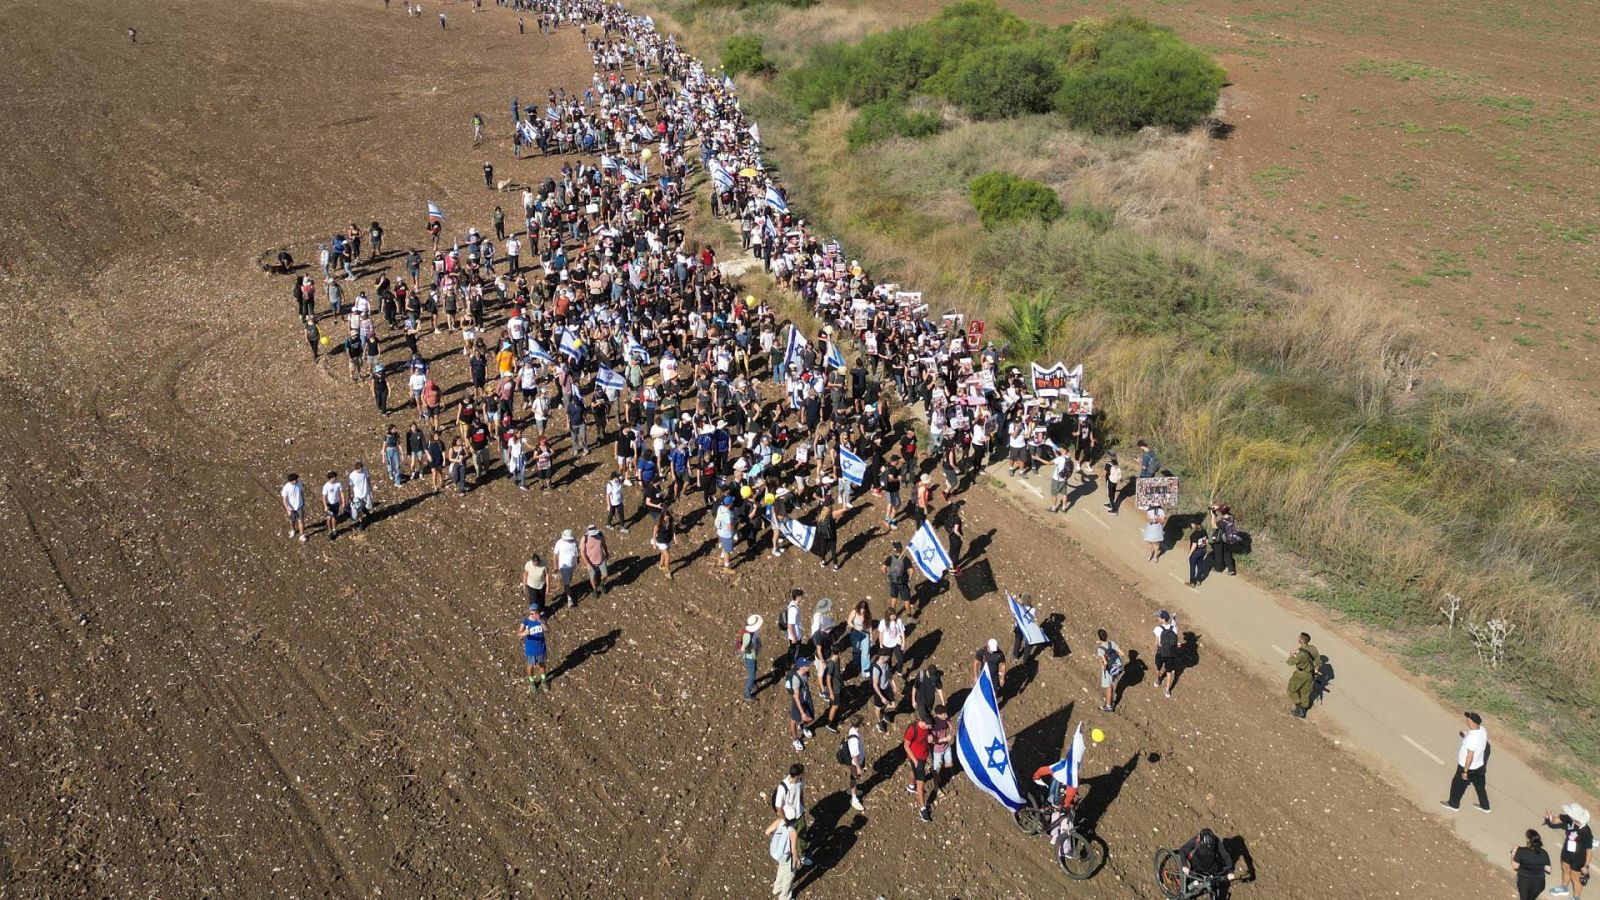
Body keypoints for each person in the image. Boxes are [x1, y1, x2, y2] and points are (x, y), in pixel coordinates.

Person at [1441, 711, 1490, 812]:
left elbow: (1469, 756)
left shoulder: (1472, 737)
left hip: (1468, 766)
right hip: (1479, 765)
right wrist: (1465, 735)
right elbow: (1477, 740)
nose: (1466, 719)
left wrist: (1465, 771)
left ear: (1472, 722)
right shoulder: (1482, 730)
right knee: (1480, 786)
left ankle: (1453, 804)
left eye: (1468, 718)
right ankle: (1485, 806)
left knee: (1457, 785)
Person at [1544, 803, 1591, 898]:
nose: (1568, 814)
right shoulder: (1569, 819)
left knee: (1575, 878)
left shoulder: (1586, 831)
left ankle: (1576, 897)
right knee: (1565, 869)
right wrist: (1549, 817)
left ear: (1575, 816)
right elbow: (1554, 820)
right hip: (1566, 851)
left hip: (1578, 858)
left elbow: (1589, 851)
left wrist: (1585, 866)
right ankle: (1564, 888)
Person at [771, 764, 812, 868]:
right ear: (797, 775)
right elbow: (778, 807)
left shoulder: (800, 781)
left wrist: (802, 806)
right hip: (789, 820)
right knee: (788, 841)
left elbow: (801, 793)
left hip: (800, 815)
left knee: (802, 836)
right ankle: (788, 861)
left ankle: (801, 855)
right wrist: (784, 820)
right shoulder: (783, 787)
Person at [903, 716, 935, 823]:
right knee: (921, 783)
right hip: (916, 758)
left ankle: (911, 785)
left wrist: (930, 736)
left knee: (913, 772)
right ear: (924, 723)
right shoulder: (912, 730)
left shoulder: (927, 727)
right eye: (929, 726)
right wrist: (914, 760)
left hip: (924, 755)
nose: (930, 728)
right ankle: (923, 809)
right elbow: (906, 746)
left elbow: (929, 733)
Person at [764, 813, 800, 900]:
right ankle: (785, 897)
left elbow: (767, 832)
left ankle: (777, 888)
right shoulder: (793, 832)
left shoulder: (779, 821)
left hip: (776, 853)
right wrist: (797, 860)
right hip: (786, 856)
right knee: (789, 876)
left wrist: (777, 838)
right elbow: (793, 850)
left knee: (781, 869)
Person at [1286, 632, 1319, 719]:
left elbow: (1290, 663)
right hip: (1310, 675)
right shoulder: (1313, 648)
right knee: (1305, 692)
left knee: (1291, 690)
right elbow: (1318, 662)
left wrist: (1291, 655)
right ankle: (1304, 709)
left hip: (1300, 675)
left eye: (1299, 637)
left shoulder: (1299, 653)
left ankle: (1299, 709)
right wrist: (1316, 671)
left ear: (1301, 640)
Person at [1513, 829, 1552, 900]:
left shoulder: (1521, 851)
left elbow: (1515, 866)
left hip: (1524, 882)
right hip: (1539, 884)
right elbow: (1549, 870)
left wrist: (1513, 853)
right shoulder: (1544, 853)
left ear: (1528, 840)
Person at [787, 657, 816, 751]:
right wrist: (802, 712)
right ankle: (795, 739)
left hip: (807, 698)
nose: (809, 665)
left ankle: (803, 726)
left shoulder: (805, 673)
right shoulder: (796, 679)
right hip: (799, 702)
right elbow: (796, 696)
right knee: (794, 721)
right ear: (801, 666)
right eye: (806, 665)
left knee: (811, 717)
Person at [519, 605, 548, 692]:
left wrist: (541, 621)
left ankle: (543, 681)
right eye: (532, 613)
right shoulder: (526, 622)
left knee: (542, 664)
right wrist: (524, 633)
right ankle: (532, 682)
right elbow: (518, 634)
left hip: (541, 648)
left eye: (535, 613)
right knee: (530, 666)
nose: (534, 615)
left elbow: (547, 630)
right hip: (530, 649)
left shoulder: (541, 619)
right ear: (529, 612)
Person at [839, 719, 866, 811]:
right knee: (854, 778)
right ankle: (854, 798)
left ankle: (853, 790)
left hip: (857, 761)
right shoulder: (854, 740)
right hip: (855, 763)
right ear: (860, 725)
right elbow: (854, 755)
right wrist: (858, 768)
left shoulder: (853, 730)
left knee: (854, 778)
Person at [1153, 611, 1180, 699]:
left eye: (1159, 617)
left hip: (1161, 652)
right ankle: (1167, 690)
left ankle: (1157, 681)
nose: (1158, 618)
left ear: (1163, 619)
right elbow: (1175, 640)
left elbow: (1156, 643)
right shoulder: (1174, 628)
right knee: (1169, 671)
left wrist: (1154, 651)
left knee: (1158, 667)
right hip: (1171, 653)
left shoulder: (1157, 628)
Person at [869, 649, 897, 734]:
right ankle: (879, 722)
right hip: (879, 690)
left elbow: (889, 675)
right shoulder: (876, 668)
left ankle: (883, 712)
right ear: (882, 657)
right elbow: (875, 684)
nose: (889, 658)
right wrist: (881, 697)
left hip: (887, 687)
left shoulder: (886, 664)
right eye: (887, 656)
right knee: (878, 707)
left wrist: (894, 685)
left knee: (893, 705)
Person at [1095, 628, 1123, 713]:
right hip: (1115, 668)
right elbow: (1122, 653)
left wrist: (1102, 664)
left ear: (1099, 638)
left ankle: (1108, 706)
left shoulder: (1100, 649)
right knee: (1111, 685)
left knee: (1108, 687)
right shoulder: (1112, 643)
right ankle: (1110, 701)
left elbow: (1105, 663)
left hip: (1108, 670)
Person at [882, 542, 912, 618]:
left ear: (894, 550)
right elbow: (912, 570)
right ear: (901, 549)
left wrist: (887, 575)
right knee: (906, 599)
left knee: (894, 597)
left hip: (893, 581)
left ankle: (891, 614)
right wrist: (909, 578)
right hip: (903, 582)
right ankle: (909, 615)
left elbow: (883, 568)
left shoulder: (890, 558)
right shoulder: (905, 559)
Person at [578, 525, 610, 596]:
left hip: (601, 560)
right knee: (592, 577)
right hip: (591, 562)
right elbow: (582, 552)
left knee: (605, 575)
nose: (594, 535)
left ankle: (601, 585)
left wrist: (606, 553)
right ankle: (594, 589)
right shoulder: (584, 538)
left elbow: (604, 544)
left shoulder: (600, 534)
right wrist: (587, 564)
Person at [552, 529, 579, 608]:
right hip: (563, 567)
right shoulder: (559, 543)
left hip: (572, 566)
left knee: (569, 580)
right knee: (566, 583)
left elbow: (577, 553)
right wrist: (555, 566)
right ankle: (569, 598)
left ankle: (567, 590)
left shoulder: (574, 542)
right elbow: (555, 555)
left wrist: (577, 561)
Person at [928, 704, 954, 787]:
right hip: (937, 751)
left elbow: (951, 727)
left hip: (946, 747)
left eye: (946, 714)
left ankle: (935, 768)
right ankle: (936, 787)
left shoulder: (945, 719)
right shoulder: (933, 725)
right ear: (938, 714)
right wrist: (945, 739)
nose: (946, 716)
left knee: (949, 764)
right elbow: (933, 741)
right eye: (944, 715)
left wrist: (951, 732)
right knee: (937, 772)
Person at [739, 614, 763, 701]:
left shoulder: (752, 632)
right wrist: (746, 650)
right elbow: (742, 648)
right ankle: (747, 694)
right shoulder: (748, 635)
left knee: (754, 671)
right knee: (752, 675)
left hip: (752, 655)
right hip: (749, 657)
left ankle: (752, 684)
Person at [847, 600, 873, 679]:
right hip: (856, 632)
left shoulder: (868, 614)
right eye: (861, 609)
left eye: (864, 610)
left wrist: (871, 636)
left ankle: (865, 671)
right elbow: (849, 621)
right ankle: (856, 662)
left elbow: (869, 626)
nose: (862, 611)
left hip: (865, 634)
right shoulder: (854, 612)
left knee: (866, 652)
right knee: (856, 649)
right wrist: (854, 627)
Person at [280, 473, 307, 542]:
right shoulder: (286, 488)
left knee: (301, 521)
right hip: (291, 508)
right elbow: (284, 500)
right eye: (295, 480)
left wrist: (303, 500)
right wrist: (288, 510)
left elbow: (301, 491)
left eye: (296, 479)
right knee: (292, 520)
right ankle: (293, 530)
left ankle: (302, 535)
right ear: (290, 481)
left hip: (299, 506)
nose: (296, 481)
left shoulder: (299, 483)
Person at [347, 462, 373, 530]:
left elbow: (368, 479)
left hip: (366, 492)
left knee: (368, 506)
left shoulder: (365, 470)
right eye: (359, 469)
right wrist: (350, 496)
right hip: (357, 495)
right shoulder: (352, 475)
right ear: (356, 469)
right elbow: (350, 486)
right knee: (359, 510)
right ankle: (361, 523)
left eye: (361, 469)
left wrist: (370, 489)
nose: (361, 470)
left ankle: (365, 510)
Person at [652, 506, 675, 579]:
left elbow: (673, 530)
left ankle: (661, 565)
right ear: (662, 517)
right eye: (665, 518)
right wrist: (654, 543)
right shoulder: (658, 524)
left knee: (663, 554)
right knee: (667, 556)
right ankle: (667, 571)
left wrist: (674, 537)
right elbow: (654, 533)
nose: (667, 519)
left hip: (668, 540)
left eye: (668, 517)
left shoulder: (671, 521)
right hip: (661, 541)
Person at [320, 471, 344, 541]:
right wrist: (325, 506)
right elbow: (324, 497)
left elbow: (341, 493)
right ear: (330, 478)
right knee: (329, 518)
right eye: (334, 477)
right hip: (329, 505)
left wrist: (343, 502)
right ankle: (330, 531)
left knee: (335, 517)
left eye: (336, 477)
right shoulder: (326, 486)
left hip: (336, 504)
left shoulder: (338, 484)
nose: (335, 479)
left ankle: (334, 529)